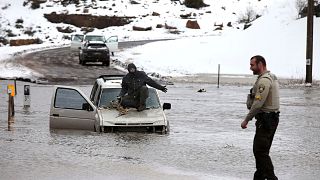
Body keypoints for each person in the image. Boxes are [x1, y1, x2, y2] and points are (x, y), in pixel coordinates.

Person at [241, 55, 280, 180]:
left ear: (260, 64)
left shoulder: (264, 81)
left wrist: (246, 119)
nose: (250, 67)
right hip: (269, 119)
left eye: (252, 65)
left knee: (260, 152)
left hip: (267, 120)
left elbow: (258, 104)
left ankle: (271, 178)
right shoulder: (270, 77)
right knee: (261, 152)